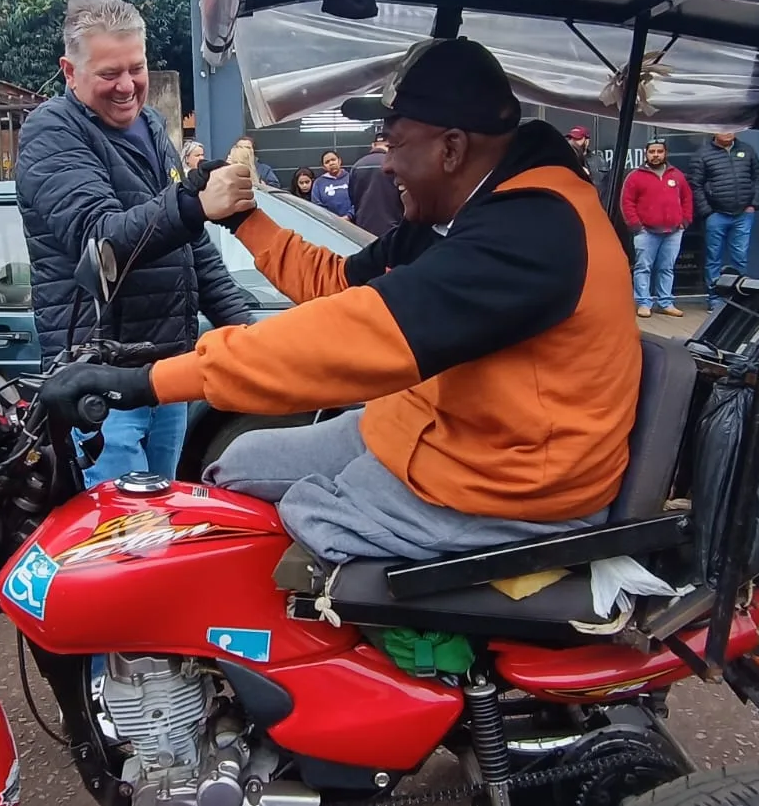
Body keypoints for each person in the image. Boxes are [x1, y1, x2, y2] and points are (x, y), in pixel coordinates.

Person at [41, 37, 641, 564]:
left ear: (452, 149)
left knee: (291, 525)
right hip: (441, 435)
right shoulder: (467, 213)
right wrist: (247, 218)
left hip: (512, 486)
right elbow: (341, 285)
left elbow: (357, 334)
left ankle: (365, 687)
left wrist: (147, 381)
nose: (384, 167)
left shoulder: (534, 230)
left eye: (395, 144)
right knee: (237, 466)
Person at [15, 0, 254, 488]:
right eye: (109, 73)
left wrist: (251, 335)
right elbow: (99, 238)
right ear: (70, 71)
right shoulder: (51, 132)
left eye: (136, 68)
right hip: (99, 386)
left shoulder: (149, 128)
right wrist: (191, 204)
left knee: (158, 527)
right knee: (119, 540)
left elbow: (194, 251)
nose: (127, 86)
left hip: (163, 376)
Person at [687, 132, 759, 309]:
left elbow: (758, 178)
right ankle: (715, 298)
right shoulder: (703, 154)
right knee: (714, 259)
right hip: (716, 215)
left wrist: (754, 205)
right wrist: (707, 212)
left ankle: (738, 298)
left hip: (743, 214)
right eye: (723, 129)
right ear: (714, 132)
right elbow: (695, 184)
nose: (727, 132)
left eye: (731, 129)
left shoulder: (747, 150)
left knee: (740, 258)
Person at [621, 139, 693, 318]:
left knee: (667, 268)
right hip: (646, 231)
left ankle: (665, 302)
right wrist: (636, 225)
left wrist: (685, 221)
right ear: (646, 154)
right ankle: (644, 303)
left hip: (674, 231)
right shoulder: (635, 176)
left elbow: (687, 198)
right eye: (652, 152)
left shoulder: (676, 175)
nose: (655, 155)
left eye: (659, 151)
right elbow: (626, 202)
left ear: (665, 153)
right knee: (643, 268)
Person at [347, 127, 402, 236]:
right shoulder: (395, 165)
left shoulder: (357, 166)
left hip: (363, 228)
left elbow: (353, 198)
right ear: (389, 145)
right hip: (392, 227)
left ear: (373, 145)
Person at [566, 126, 610, 203]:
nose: (572, 142)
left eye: (577, 139)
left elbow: (603, 192)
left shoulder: (599, 162)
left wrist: (587, 176)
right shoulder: (563, 159)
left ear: (587, 141)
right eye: (570, 138)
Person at [311, 149, 352, 217]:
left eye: (333, 160)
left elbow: (358, 201)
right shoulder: (318, 183)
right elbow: (317, 205)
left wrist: (349, 216)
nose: (331, 163)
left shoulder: (351, 178)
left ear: (339, 161)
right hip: (329, 223)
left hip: (353, 223)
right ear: (324, 167)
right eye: (327, 162)